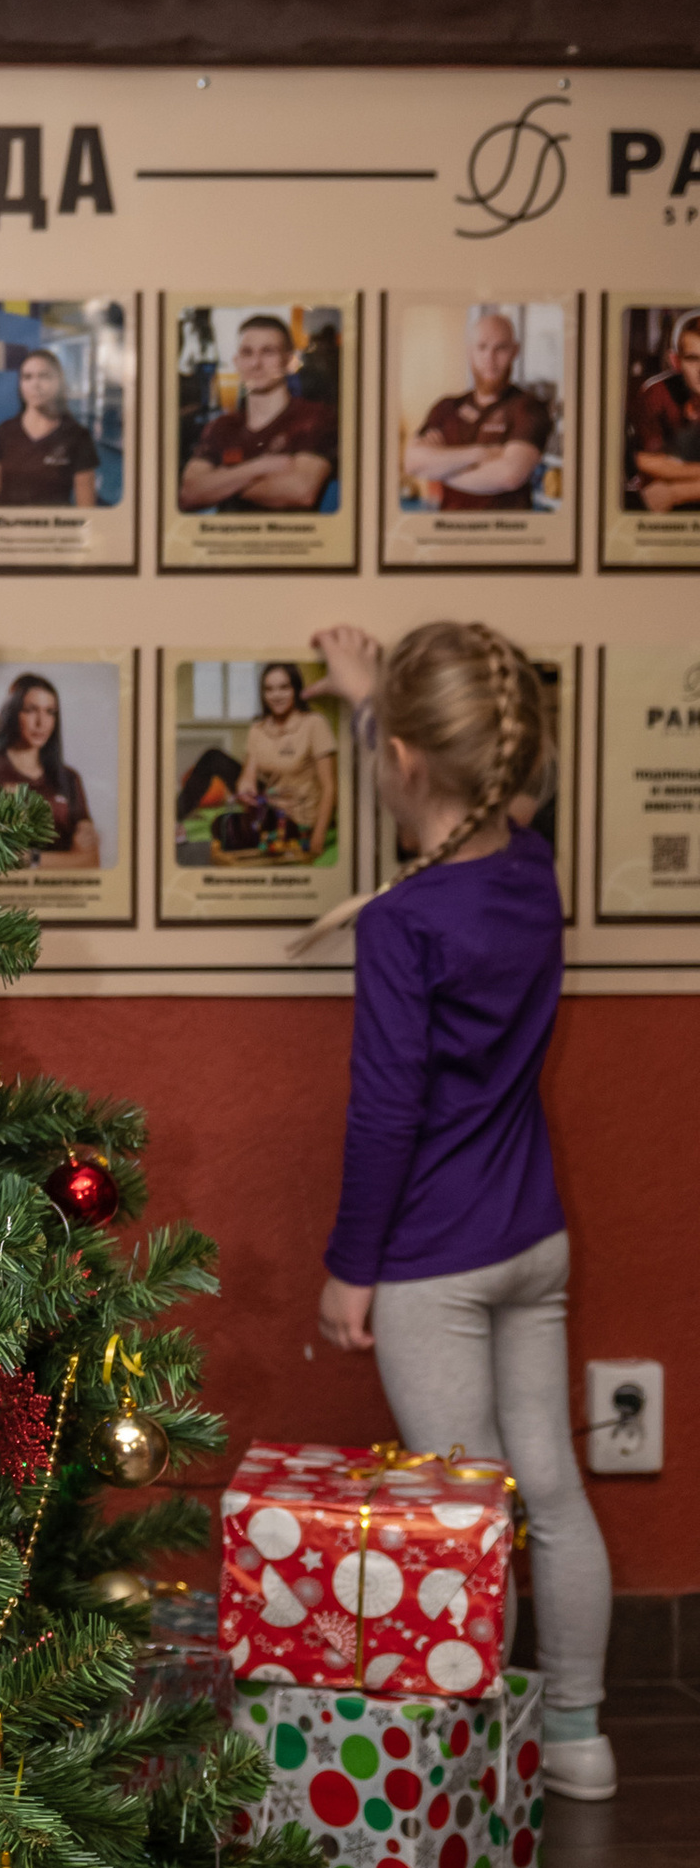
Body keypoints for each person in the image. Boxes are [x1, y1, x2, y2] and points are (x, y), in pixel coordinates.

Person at [302, 619, 614, 1800]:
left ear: (403, 764)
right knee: (549, 1485)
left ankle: (475, 1760)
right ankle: (578, 1738)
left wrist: (348, 1267)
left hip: (432, 1256)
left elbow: (384, 1118)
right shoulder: (530, 871)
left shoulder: (402, 923)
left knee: (461, 1512)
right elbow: (474, 788)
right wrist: (372, 699)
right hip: (536, 1237)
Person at [179, 311, 336, 513]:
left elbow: (301, 491)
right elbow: (188, 494)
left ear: (289, 362)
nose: (255, 363)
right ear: (237, 362)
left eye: (268, 352)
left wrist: (219, 481)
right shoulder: (221, 426)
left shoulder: (315, 418)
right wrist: (262, 466)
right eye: (247, 353)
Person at [402, 305, 553, 509]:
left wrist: (439, 470)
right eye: (482, 347)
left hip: (508, 535)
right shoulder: (446, 408)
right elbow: (412, 462)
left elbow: (509, 476)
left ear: (515, 351)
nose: (490, 359)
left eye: (500, 348)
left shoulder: (528, 408)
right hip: (450, 533)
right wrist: (477, 454)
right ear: (470, 351)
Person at [0, 670, 100, 868]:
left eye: (50, 712)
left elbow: (90, 860)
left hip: (64, 895)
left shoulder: (69, 778)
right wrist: (66, 860)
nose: (41, 722)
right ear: (13, 713)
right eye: (31, 709)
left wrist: (31, 859)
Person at [229, 661, 336, 863]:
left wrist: (319, 836)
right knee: (213, 759)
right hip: (269, 810)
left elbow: (329, 787)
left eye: (284, 687)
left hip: (299, 819)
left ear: (296, 689)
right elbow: (248, 776)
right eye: (269, 689)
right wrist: (245, 789)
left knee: (237, 834)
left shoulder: (315, 723)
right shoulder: (257, 729)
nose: (276, 695)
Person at [0, 346, 100, 509]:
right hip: (8, 528)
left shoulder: (77, 436)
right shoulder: (5, 430)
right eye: (28, 377)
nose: (35, 384)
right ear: (21, 385)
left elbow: (86, 505)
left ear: (59, 382)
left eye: (44, 376)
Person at [626, 306, 700, 516]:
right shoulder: (656, 394)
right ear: (676, 361)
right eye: (693, 358)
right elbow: (644, 460)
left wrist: (677, 492)